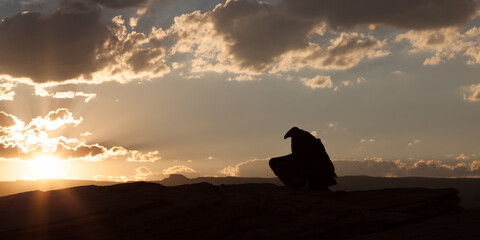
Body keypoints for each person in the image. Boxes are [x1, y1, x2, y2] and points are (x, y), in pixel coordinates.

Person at [269, 127, 337, 190]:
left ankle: (297, 184)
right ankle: (298, 184)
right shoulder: (310, 142)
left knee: (273, 162)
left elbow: (299, 156)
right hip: (319, 169)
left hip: (317, 170)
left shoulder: (305, 143)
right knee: (274, 162)